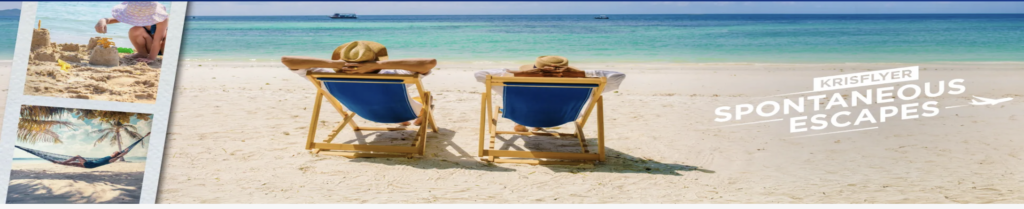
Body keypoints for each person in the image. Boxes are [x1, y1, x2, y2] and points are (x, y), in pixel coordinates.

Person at [281, 40, 437, 126]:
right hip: (404, 111)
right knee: (425, 98)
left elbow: (286, 60)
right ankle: (426, 108)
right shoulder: (392, 75)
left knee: (377, 98)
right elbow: (429, 63)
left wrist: (334, 64)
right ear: (375, 59)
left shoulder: (325, 76)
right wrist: (379, 66)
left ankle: (405, 118)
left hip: (363, 112)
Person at [474, 56, 626, 132]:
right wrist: (581, 73)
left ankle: (522, 123)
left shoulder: (512, 82)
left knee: (525, 101)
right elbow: (618, 76)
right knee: (549, 102)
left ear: (534, 69)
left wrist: (523, 73)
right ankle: (536, 122)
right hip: (560, 117)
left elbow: (480, 75)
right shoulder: (585, 85)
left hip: (521, 114)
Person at [95, 2, 169, 63]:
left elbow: (158, 40)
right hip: (150, 46)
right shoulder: (138, 16)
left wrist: (151, 58)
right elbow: (113, 20)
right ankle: (142, 53)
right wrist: (103, 20)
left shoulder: (162, 19)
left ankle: (152, 56)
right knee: (135, 30)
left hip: (163, 48)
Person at [54, 151, 122, 168]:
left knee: (77, 156)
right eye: (113, 152)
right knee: (72, 164)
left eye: (114, 152)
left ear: (116, 155)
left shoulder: (111, 159)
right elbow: (117, 155)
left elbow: (118, 156)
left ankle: (62, 162)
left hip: (90, 164)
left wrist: (123, 153)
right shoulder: (109, 156)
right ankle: (59, 162)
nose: (113, 152)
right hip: (90, 164)